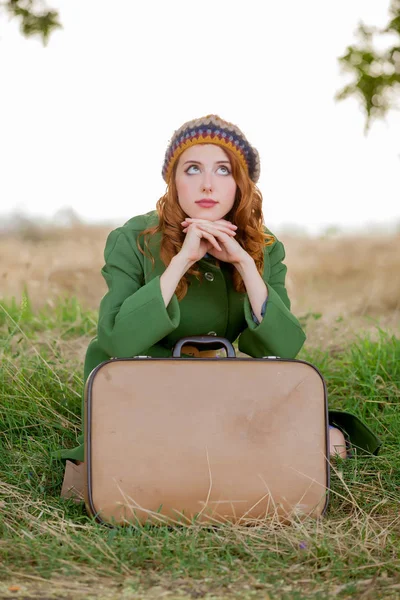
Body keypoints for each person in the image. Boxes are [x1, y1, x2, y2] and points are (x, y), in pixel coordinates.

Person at [58, 114, 378, 500]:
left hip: (218, 385)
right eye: (192, 169)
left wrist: (244, 262)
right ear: (173, 180)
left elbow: (280, 350)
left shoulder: (264, 247)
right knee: (152, 460)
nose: (207, 184)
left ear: (241, 184)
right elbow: (118, 341)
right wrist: (181, 262)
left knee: (323, 442)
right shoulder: (132, 239)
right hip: (140, 389)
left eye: (223, 170)